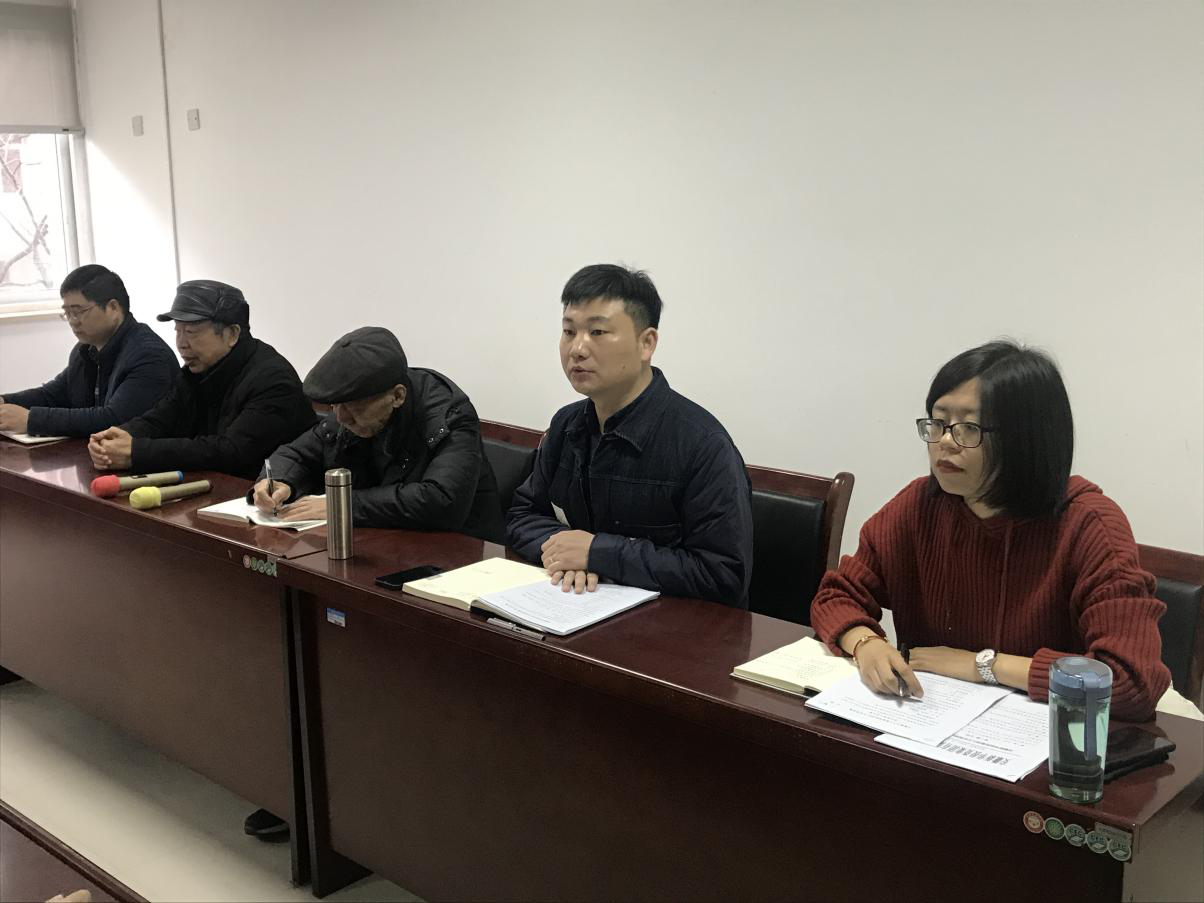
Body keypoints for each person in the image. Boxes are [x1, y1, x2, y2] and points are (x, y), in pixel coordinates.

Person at [810, 340, 1171, 722]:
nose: (945, 443)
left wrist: (982, 665)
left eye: (968, 428)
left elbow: (1130, 680)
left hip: (1052, 738)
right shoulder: (919, 505)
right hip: (930, 720)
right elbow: (836, 595)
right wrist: (865, 643)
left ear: (1026, 438)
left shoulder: (1088, 525)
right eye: (938, 423)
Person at [506, 263, 753, 606]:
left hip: (670, 629)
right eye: (569, 331)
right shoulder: (566, 425)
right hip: (573, 608)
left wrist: (599, 554)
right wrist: (567, 551)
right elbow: (523, 515)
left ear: (646, 343)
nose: (577, 348)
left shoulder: (702, 444)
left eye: (597, 332)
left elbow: (723, 574)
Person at [251, 326, 502, 538]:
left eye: (354, 407)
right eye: (335, 405)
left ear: (397, 396)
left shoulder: (449, 416)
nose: (341, 418)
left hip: (462, 552)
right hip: (385, 540)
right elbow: (297, 454)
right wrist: (280, 481)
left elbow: (442, 501)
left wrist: (343, 505)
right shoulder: (349, 410)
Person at [87, 280, 315, 479]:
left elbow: (232, 452)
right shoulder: (197, 369)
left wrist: (136, 451)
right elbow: (161, 419)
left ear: (232, 334)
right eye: (178, 331)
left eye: (191, 332)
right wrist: (122, 435)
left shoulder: (273, 380)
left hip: (270, 497)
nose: (181, 344)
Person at [0, 265, 177, 437]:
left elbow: (115, 420)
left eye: (78, 311)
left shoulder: (149, 356)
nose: (73, 321)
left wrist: (31, 419)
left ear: (113, 308)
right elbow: (53, 395)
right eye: (67, 313)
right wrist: (5, 401)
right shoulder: (85, 350)